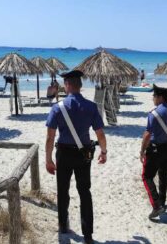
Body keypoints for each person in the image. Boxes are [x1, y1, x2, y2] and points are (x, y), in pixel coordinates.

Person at [45, 70, 107, 244]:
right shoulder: (91, 106)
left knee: (63, 190)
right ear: (80, 86)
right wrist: (103, 152)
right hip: (83, 154)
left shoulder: (58, 107)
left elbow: (50, 136)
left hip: (63, 153)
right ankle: (88, 235)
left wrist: (48, 159)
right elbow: (100, 133)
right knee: (84, 192)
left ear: (67, 85)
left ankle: (63, 225)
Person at [140, 84, 167, 219]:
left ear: (160, 97)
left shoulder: (154, 113)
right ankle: (163, 202)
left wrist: (142, 150)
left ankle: (157, 206)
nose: (153, 98)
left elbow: (147, 134)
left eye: (154, 96)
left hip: (155, 149)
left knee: (147, 176)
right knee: (163, 175)